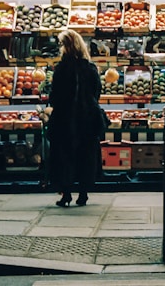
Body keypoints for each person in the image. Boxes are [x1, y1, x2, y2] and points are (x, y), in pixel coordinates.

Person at [46, 29, 105, 207]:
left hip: (65, 119)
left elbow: (55, 96)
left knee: (65, 155)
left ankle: (66, 195)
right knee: (86, 156)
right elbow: (96, 94)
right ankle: (83, 194)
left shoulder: (62, 68)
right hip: (87, 118)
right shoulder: (90, 68)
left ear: (66, 47)